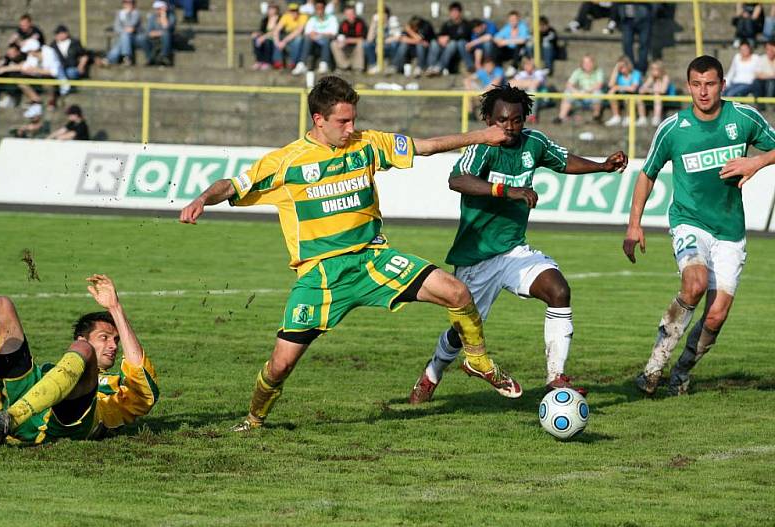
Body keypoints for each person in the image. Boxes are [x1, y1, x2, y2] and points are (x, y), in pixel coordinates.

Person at [180, 75, 521, 431]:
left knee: (457, 292)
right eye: (343, 121)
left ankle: (478, 361)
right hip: (321, 276)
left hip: (374, 260)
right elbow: (232, 185)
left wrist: (482, 136)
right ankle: (254, 419)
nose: (351, 128)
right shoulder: (287, 162)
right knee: (280, 365)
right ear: (319, 119)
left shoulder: (367, 144)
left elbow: (426, 146)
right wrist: (202, 199)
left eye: (354, 119)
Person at [408, 85, 628, 405]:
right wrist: (506, 191)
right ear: (487, 119)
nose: (509, 127)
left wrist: (601, 166)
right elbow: (457, 180)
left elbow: (563, 160)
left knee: (558, 290)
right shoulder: (482, 146)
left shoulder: (533, 143)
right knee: (462, 333)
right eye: (501, 121)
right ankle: (431, 375)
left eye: (516, 120)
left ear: (525, 119)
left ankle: (556, 377)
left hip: (513, 251)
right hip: (476, 257)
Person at [624, 55, 775, 397]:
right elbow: (647, 174)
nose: (703, 92)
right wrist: (634, 225)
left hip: (730, 230)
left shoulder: (743, 117)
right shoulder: (674, 128)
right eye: (696, 84)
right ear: (688, 85)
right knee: (693, 283)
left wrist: (757, 161)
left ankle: (681, 372)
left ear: (723, 85)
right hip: (688, 220)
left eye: (710, 84)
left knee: (716, 316)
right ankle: (654, 367)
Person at [0, 275, 159, 446]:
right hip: (26, 399)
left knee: (84, 352)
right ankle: (7, 420)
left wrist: (115, 308)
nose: (113, 345)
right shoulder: (48, 372)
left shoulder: (118, 387)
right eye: (104, 337)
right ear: (80, 338)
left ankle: (10, 419)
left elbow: (145, 391)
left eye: (116, 340)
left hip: (69, 423)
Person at [426, 1, 474, 76]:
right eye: (451, 12)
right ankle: (431, 67)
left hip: (460, 49)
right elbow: (440, 34)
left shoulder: (466, 24)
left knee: (453, 43)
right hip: (446, 47)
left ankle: (439, 67)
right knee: (434, 42)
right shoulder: (447, 24)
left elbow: (464, 36)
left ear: (460, 12)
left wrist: (449, 38)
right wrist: (440, 39)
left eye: (455, 11)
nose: (453, 14)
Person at [554, 54, 604, 123]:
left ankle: (596, 116)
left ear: (593, 63)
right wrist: (576, 92)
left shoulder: (598, 71)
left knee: (597, 93)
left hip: (592, 94)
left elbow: (599, 85)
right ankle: (561, 117)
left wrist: (587, 92)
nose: (587, 64)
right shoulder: (578, 71)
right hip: (581, 95)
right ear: (582, 64)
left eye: (589, 62)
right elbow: (568, 84)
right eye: (585, 63)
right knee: (568, 92)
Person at [292, 0, 338, 75]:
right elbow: (308, 33)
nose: (319, 10)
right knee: (307, 39)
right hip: (314, 43)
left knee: (326, 39)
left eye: (321, 8)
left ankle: (324, 64)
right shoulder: (312, 19)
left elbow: (333, 33)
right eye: (317, 8)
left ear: (324, 8)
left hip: (326, 43)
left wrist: (319, 34)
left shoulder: (332, 18)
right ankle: (301, 64)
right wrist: (316, 35)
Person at [605, 55, 642, 127]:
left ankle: (630, 117)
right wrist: (616, 69)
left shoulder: (636, 73)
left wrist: (617, 87)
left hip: (635, 95)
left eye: (622, 66)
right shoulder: (619, 75)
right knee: (611, 93)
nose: (621, 69)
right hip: (622, 95)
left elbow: (633, 88)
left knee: (627, 97)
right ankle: (616, 116)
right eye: (619, 67)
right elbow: (610, 85)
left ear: (628, 65)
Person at [636, 59, 674, 127]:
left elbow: (663, 90)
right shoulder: (652, 78)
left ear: (660, 70)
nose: (653, 71)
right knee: (639, 96)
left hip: (666, 96)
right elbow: (642, 89)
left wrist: (649, 90)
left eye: (655, 69)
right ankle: (642, 118)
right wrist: (647, 89)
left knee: (657, 96)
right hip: (655, 94)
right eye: (652, 69)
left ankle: (657, 118)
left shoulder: (665, 77)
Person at [364, 5, 401, 74]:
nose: (382, 16)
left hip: (388, 47)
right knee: (366, 45)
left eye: (383, 14)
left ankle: (393, 65)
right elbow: (369, 39)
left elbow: (397, 37)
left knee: (395, 44)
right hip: (377, 47)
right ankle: (373, 65)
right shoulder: (376, 22)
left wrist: (381, 44)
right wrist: (373, 23)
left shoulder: (392, 20)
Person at [331, 3, 367, 73]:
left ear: (355, 13)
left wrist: (348, 41)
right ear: (345, 14)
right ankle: (344, 66)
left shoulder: (361, 22)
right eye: (348, 14)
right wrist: (340, 42)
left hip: (357, 47)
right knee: (333, 44)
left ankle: (358, 67)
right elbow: (339, 37)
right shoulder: (343, 23)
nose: (350, 16)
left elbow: (363, 39)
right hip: (345, 47)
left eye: (351, 14)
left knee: (361, 43)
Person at [106, 0, 143, 65]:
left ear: (133, 4)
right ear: (123, 4)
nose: (128, 4)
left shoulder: (136, 13)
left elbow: (132, 24)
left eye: (130, 2)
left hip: (134, 38)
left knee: (124, 37)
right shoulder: (120, 13)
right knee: (124, 37)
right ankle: (126, 57)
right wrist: (125, 30)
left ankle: (109, 59)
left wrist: (127, 14)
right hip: (124, 37)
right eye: (126, 2)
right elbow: (117, 27)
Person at [273, 3, 308, 70]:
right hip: (287, 35)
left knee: (298, 39)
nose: (294, 13)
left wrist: (284, 41)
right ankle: (278, 62)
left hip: (297, 36)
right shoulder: (286, 16)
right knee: (277, 38)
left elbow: (298, 31)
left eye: (295, 11)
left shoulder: (303, 16)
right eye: (292, 11)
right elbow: (276, 30)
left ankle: (293, 62)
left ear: (298, 11)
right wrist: (277, 42)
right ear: (289, 11)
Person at [142, 0, 176, 66]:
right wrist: (160, 33)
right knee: (142, 38)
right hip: (154, 38)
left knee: (166, 35)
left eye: (159, 8)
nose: (157, 10)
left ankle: (164, 56)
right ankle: (150, 58)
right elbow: (149, 32)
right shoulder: (152, 17)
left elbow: (167, 27)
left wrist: (163, 15)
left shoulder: (171, 16)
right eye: (156, 9)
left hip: (168, 39)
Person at [252, 3, 281, 70]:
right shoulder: (265, 19)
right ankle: (259, 61)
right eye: (269, 9)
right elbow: (262, 30)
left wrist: (263, 37)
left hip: (275, 38)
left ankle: (267, 62)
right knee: (255, 39)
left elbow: (276, 31)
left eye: (272, 9)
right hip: (265, 37)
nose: (271, 11)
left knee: (267, 41)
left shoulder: (279, 19)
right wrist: (257, 34)